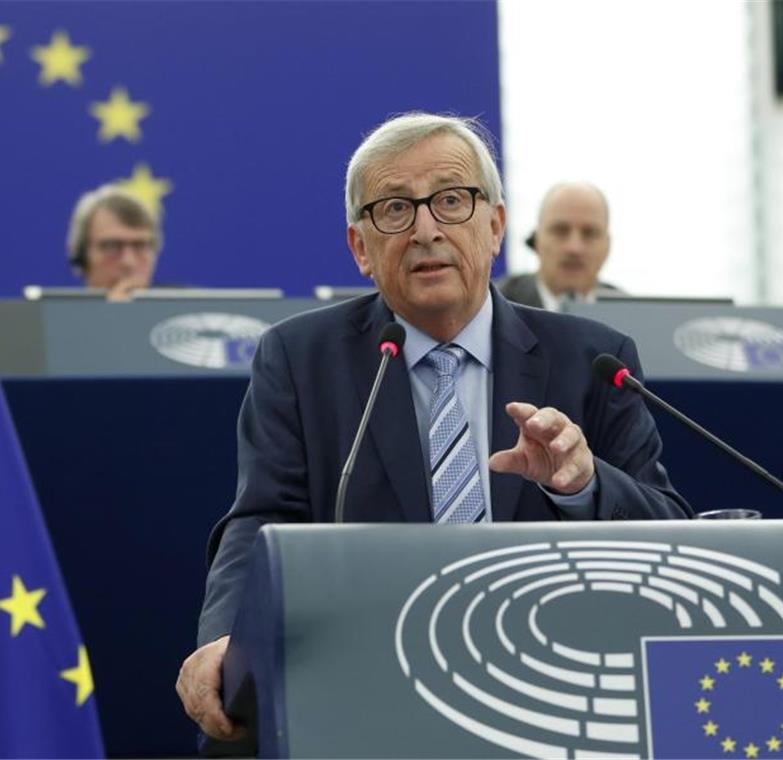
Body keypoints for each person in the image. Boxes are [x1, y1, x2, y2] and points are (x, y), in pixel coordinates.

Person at [175, 113, 692, 741]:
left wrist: (583, 485)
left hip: (551, 692)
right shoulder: (299, 356)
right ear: (360, 248)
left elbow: (670, 537)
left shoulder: (594, 359)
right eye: (394, 208)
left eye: (451, 200)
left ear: (495, 225)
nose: (426, 230)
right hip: (367, 691)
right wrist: (227, 637)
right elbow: (260, 519)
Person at [497, 182, 623, 310]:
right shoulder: (494, 307)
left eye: (589, 233)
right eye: (560, 231)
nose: (574, 248)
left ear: (607, 246)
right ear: (536, 240)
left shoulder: (629, 313)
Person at [65, 183, 161, 301]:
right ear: (82, 259)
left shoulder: (185, 313)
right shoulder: (50, 318)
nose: (128, 262)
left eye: (140, 246)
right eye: (112, 247)